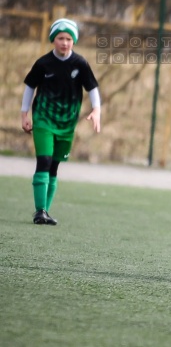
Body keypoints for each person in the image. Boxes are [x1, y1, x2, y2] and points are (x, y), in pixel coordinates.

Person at [21, 18, 101, 225]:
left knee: (55, 165)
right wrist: (24, 114)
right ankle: (40, 211)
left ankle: (45, 211)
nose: (64, 42)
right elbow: (30, 87)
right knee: (44, 161)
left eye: (68, 39)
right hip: (43, 119)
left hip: (67, 123)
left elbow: (92, 88)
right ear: (53, 40)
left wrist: (96, 110)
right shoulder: (43, 63)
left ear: (73, 41)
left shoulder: (80, 63)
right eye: (60, 38)